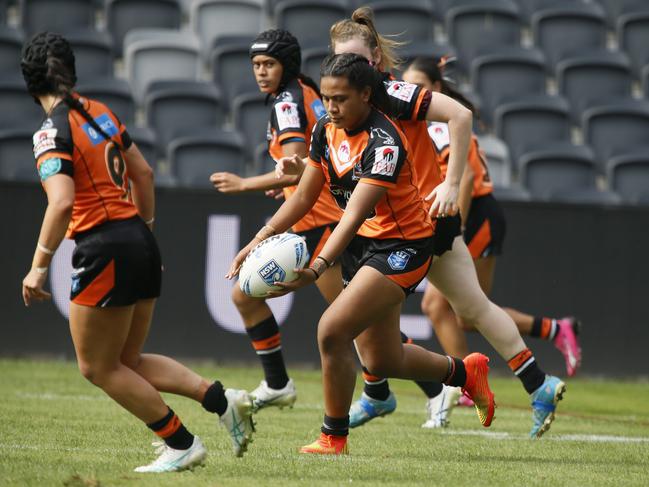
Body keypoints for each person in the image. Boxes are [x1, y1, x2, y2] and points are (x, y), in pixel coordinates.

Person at [313, 6, 565, 438]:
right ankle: (535, 384)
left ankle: (533, 384)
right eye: (343, 58)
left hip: (418, 224)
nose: (353, 67)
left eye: (359, 58)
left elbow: (461, 116)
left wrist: (451, 185)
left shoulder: (396, 93)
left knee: (465, 309)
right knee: (374, 317)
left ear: (375, 57)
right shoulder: (343, 105)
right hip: (384, 226)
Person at [228, 52, 496, 455]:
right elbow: (303, 196)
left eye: (341, 99)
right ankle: (464, 371)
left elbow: (352, 214)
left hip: (403, 247)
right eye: (327, 99)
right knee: (383, 359)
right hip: (366, 245)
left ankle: (333, 437)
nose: (331, 107)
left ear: (367, 95)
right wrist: (257, 240)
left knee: (331, 331)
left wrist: (317, 268)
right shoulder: (325, 129)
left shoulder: (385, 141)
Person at [19, 32, 254, 473]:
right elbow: (142, 173)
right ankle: (222, 401)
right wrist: (143, 235)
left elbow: (62, 201)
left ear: (29, 84)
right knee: (128, 361)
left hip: (102, 243)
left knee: (97, 367)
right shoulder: (99, 112)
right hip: (138, 236)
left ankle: (181, 443)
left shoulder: (50, 133)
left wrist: (38, 266)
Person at [401, 55, 582, 416]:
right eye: (408, 85)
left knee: (440, 306)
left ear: (436, 89)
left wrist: (457, 229)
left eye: (419, 85)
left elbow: (464, 179)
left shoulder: (438, 123)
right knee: (467, 312)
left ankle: (466, 383)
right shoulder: (429, 120)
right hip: (463, 214)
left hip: (470, 215)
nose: (412, 92)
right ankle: (552, 331)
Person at [209, 29, 343, 412]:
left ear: (287, 65)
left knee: (357, 321)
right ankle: (277, 383)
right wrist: (283, 186)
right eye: (256, 65)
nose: (261, 72)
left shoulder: (286, 101)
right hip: (316, 219)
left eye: (269, 64)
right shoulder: (307, 91)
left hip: (321, 223)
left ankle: (438, 386)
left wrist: (244, 184)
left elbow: (299, 167)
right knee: (243, 296)